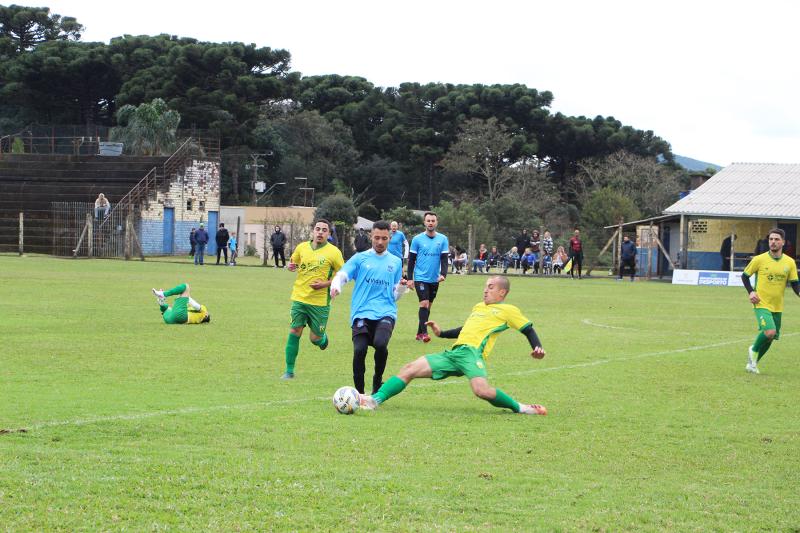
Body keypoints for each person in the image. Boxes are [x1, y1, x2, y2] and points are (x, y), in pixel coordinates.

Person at [358, 275, 547, 416]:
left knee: (481, 391)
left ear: (502, 292)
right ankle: (374, 400)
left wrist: (537, 347)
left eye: (490, 287)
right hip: (455, 353)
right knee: (409, 368)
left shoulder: (509, 310)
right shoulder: (479, 307)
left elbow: (527, 328)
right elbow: (466, 329)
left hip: (472, 355)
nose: (485, 290)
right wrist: (442, 333)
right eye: (485, 287)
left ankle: (522, 408)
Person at [330, 220, 406, 394]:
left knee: (380, 344)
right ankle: (359, 394)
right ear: (371, 236)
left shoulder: (395, 262)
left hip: (386, 311)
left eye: (384, 238)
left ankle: (377, 382)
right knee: (360, 350)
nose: (380, 242)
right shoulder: (360, 258)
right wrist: (336, 286)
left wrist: (401, 288)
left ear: (390, 238)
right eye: (377, 237)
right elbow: (342, 274)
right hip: (361, 312)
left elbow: (394, 295)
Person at [281, 219, 345, 380]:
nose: (320, 232)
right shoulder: (302, 247)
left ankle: (322, 339)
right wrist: (290, 266)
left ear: (328, 234)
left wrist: (325, 284)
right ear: (313, 231)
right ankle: (289, 371)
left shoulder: (334, 252)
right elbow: (293, 263)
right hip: (299, 298)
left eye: (324, 230)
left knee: (314, 338)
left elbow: (343, 276)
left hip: (320, 302)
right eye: (317, 229)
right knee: (295, 330)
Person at [741, 228, 799, 374]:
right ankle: (753, 350)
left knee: (771, 338)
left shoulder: (790, 262)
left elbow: (795, 284)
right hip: (761, 302)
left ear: (783, 242)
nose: (773, 242)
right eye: (771, 239)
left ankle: (753, 363)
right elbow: (745, 276)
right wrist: (751, 292)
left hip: (777, 306)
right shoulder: (759, 259)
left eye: (776, 239)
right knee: (769, 332)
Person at [406, 212, 450, 342]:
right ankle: (425, 334)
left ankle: (419, 333)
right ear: (424, 223)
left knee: (428, 307)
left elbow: (444, 258)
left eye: (433, 220)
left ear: (436, 223)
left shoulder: (443, 239)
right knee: (424, 303)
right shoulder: (417, 239)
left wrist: (443, 274)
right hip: (420, 277)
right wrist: (410, 278)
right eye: (428, 220)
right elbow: (411, 260)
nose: (430, 223)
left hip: (434, 278)